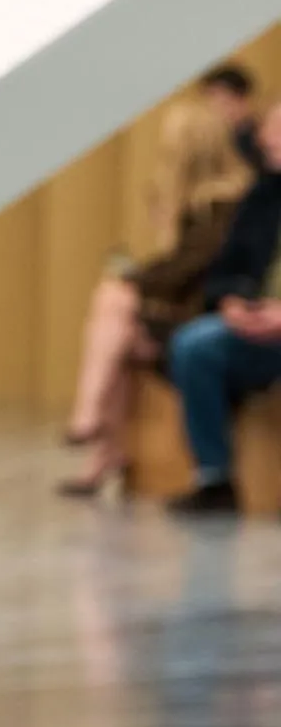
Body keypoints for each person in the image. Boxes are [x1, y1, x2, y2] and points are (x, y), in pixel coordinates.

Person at [60, 97, 254, 493]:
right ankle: (104, 447)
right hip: (189, 310)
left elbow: (189, 268)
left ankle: (90, 421)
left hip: (209, 311)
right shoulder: (201, 203)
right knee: (119, 332)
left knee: (114, 301)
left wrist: (134, 281)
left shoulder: (224, 204)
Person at [164, 100, 281, 513]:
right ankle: (214, 478)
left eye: (275, 129)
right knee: (195, 345)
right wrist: (232, 302)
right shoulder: (263, 195)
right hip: (259, 326)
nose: (263, 139)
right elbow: (227, 268)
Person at [199, 62, 260, 168]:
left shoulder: (260, 141)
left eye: (224, 103)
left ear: (243, 101)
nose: (214, 113)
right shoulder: (211, 141)